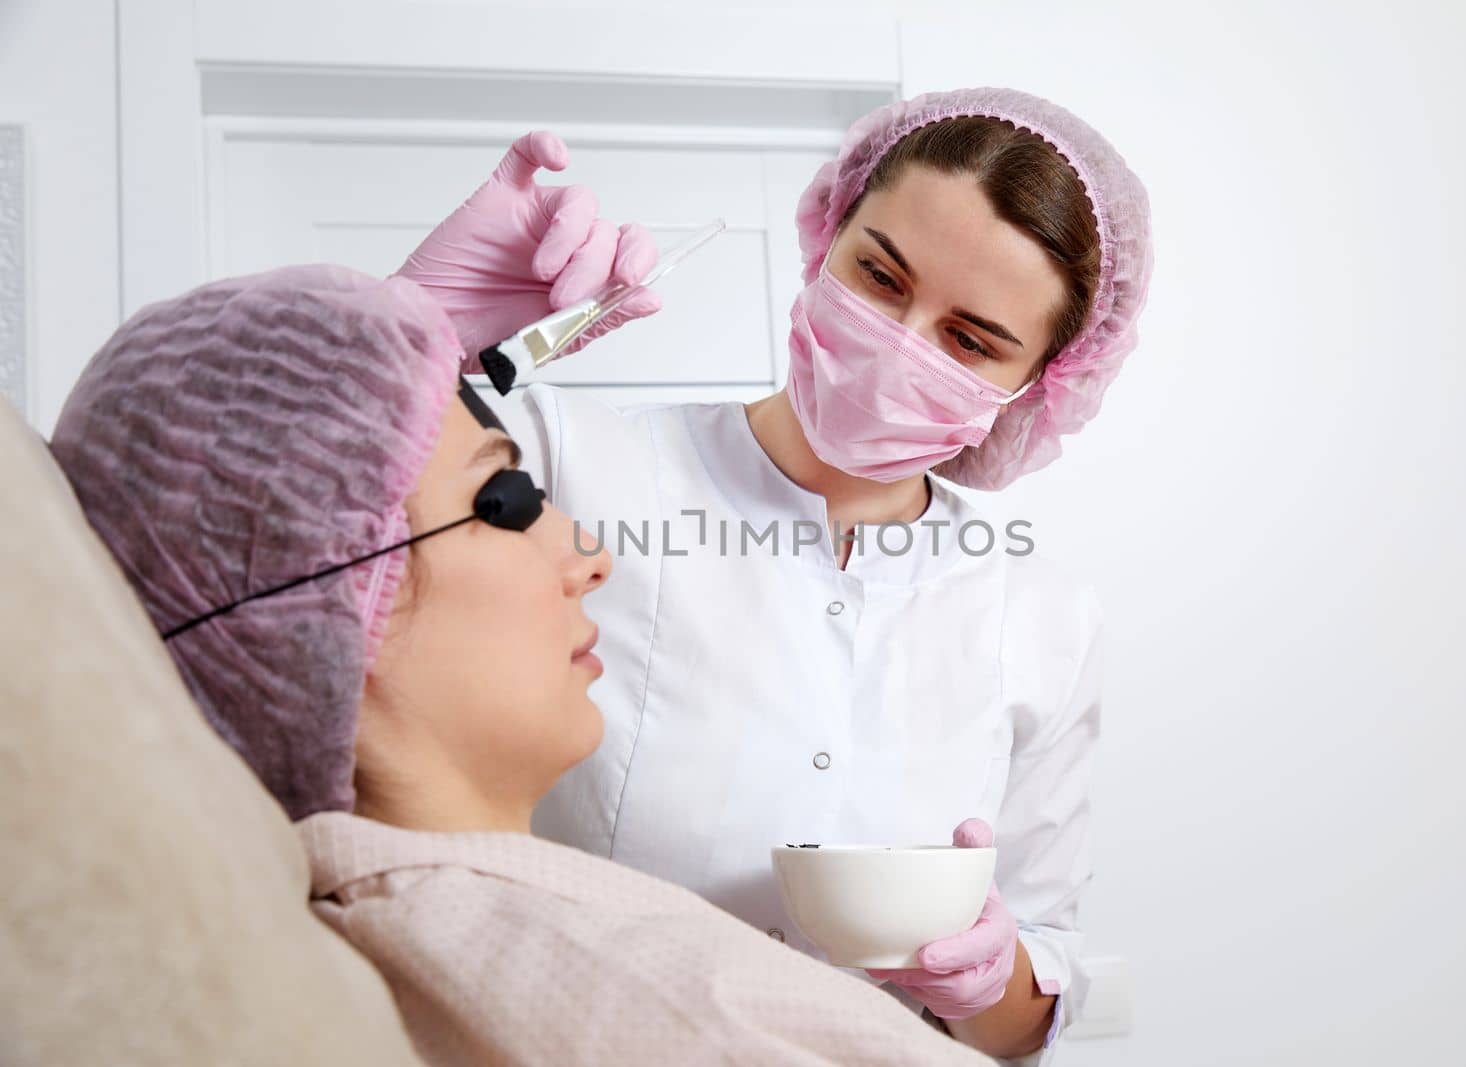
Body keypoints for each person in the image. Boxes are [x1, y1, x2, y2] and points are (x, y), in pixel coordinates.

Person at [47, 264, 991, 1067]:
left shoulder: (412, 925)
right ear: (315, 605)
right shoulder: (677, 1009)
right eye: (504, 498)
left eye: (976, 338)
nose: (590, 556)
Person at [394, 87, 1154, 1062]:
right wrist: (408, 334)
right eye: (878, 276)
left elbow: (1029, 1001)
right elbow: (260, 534)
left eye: (970, 339)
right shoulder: (562, 467)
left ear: (1041, 384)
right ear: (825, 239)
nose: (898, 342)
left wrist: (985, 975)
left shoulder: (1042, 616)